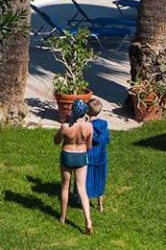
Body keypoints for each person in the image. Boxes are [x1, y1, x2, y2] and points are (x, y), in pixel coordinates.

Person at [55, 99, 94, 234]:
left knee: (65, 187)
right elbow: (89, 146)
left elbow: (56, 141)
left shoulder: (66, 126)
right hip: (81, 156)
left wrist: (61, 130)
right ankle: (88, 221)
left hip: (67, 155)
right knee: (82, 189)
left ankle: (62, 217)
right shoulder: (89, 127)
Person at [85, 97, 110, 211]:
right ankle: (100, 205)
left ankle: (84, 202)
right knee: (100, 179)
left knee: (86, 180)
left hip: (89, 157)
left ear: (87, 111)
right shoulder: (104, 124)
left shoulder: (87, 125)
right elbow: (107, 139)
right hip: (101, 157)